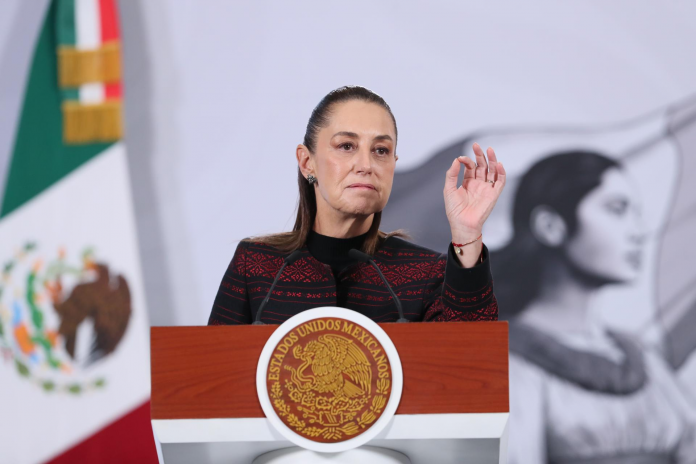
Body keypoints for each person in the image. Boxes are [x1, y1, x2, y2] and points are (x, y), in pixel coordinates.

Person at [207, 86, 505, 325]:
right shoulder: (256, 265)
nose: (366, 165)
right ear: (307, 162)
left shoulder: (425, 273)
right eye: (346, 146)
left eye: (381, 150)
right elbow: (211, 374)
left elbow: (471, 358)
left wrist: (467, 233)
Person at [492, 151, 696, 463]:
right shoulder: (503, 361)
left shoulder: (642, 358)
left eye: (637, 213)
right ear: (550, 226)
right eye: (617, 210)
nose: (639, 232)